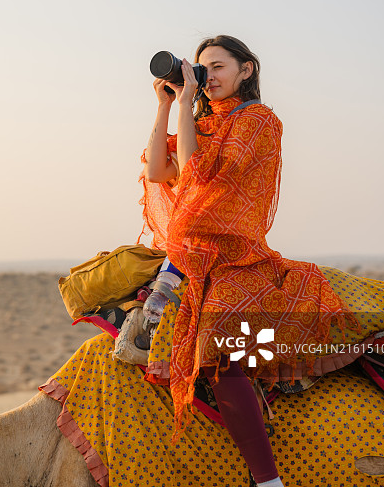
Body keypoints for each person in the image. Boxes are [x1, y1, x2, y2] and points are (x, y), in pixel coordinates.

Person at [140, 35, 358, 487]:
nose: (210, 77)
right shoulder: (202, 122)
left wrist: (186, 98)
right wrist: (166, 105)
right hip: (192, 255)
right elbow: (161, 171)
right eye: (203, 69)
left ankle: (267, 480)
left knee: (218, 349)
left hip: (239, 258)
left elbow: (198, 174)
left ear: (247, 69)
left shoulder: (259, 120)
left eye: (218, 67)